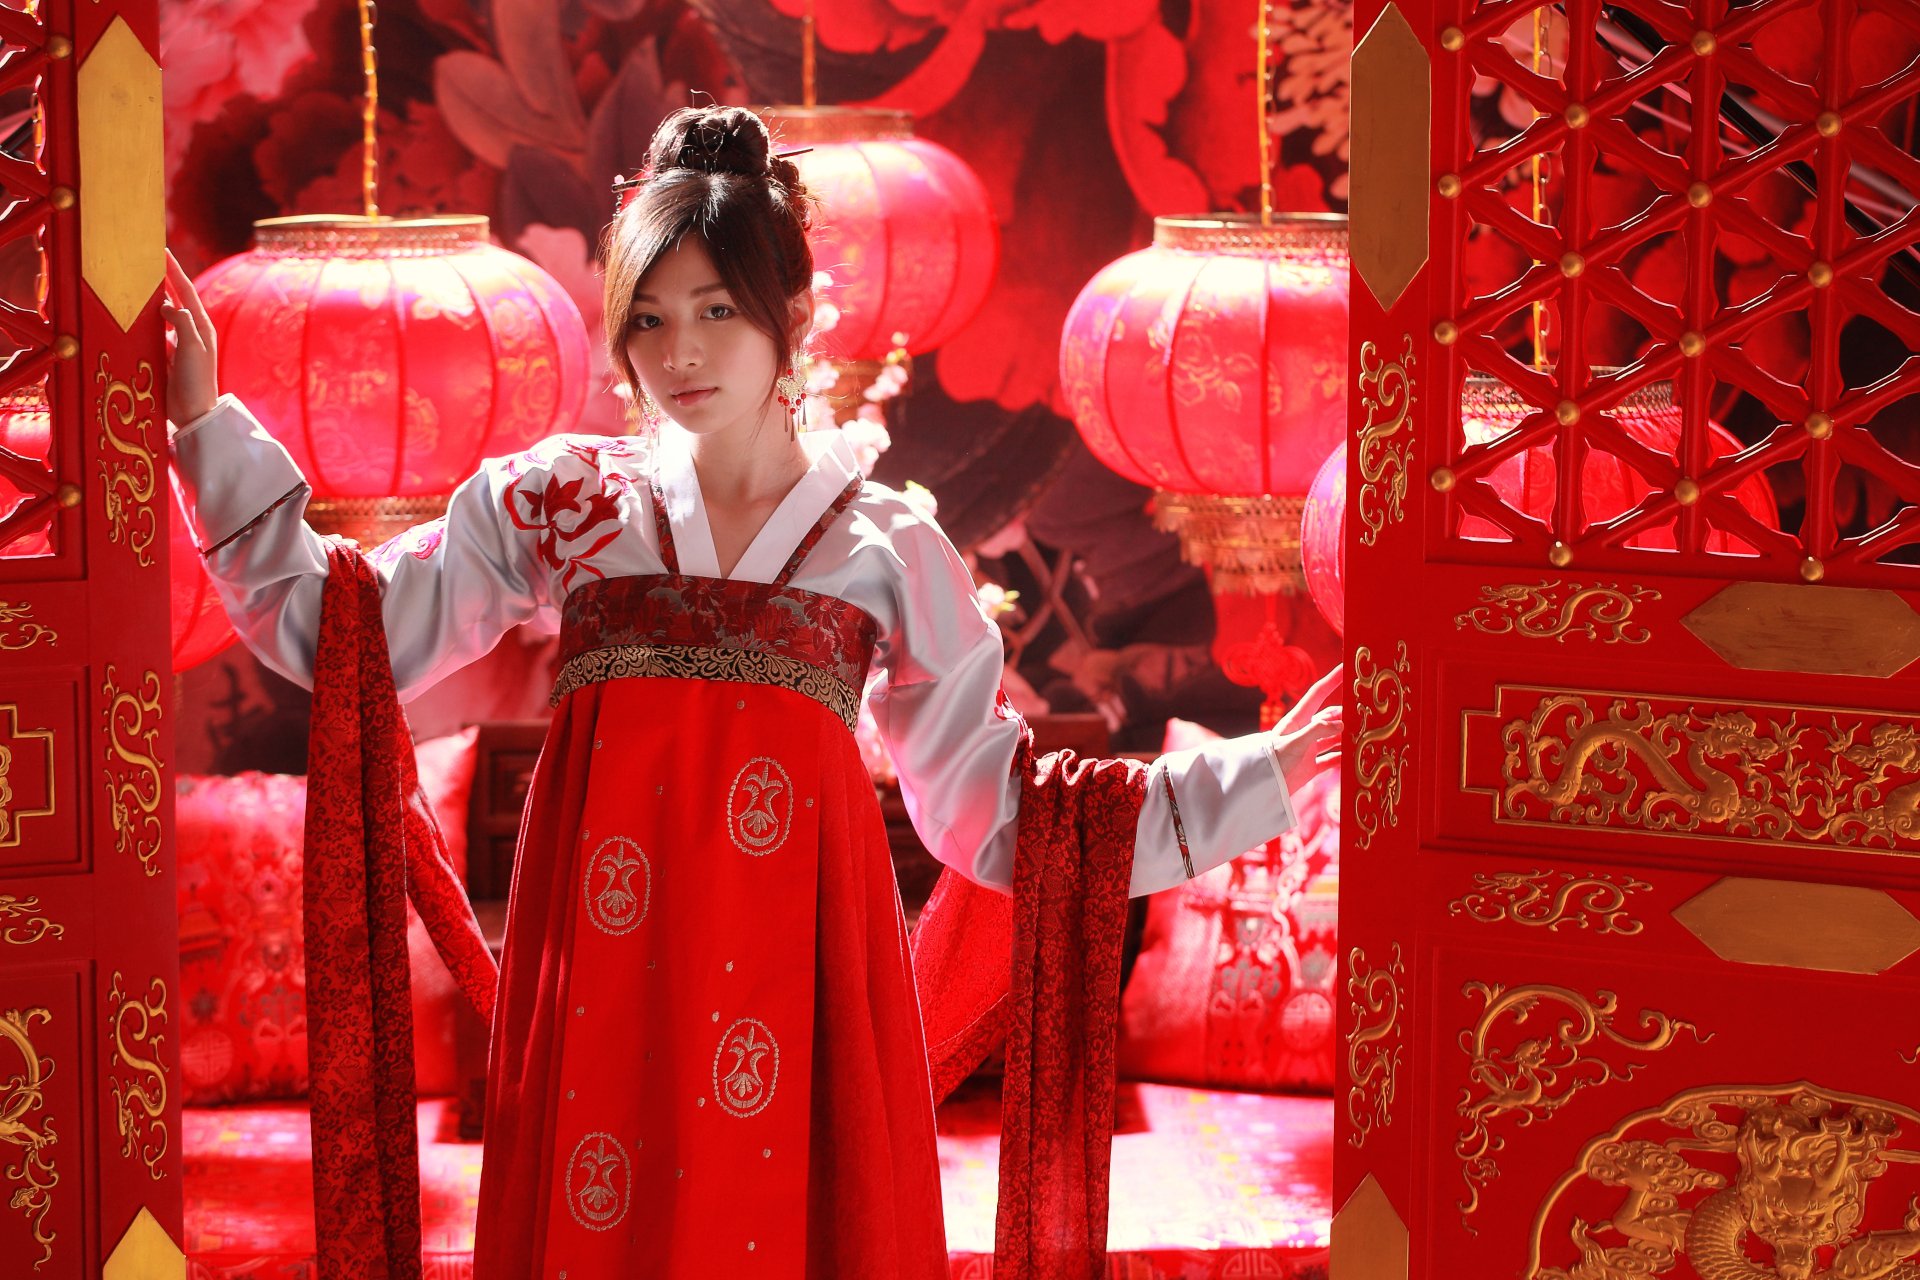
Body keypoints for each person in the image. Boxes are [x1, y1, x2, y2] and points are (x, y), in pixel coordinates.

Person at [164, 104, 1342, 1279]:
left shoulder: (882, 546)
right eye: (650, 318)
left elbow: (1000, 811)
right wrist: (203, 424)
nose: (678, 354)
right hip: (601, 999)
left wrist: (1264, 772)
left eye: (716, 311)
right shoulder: (563, 504)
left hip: (808, 1009)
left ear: (793, 316)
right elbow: (340, 634)